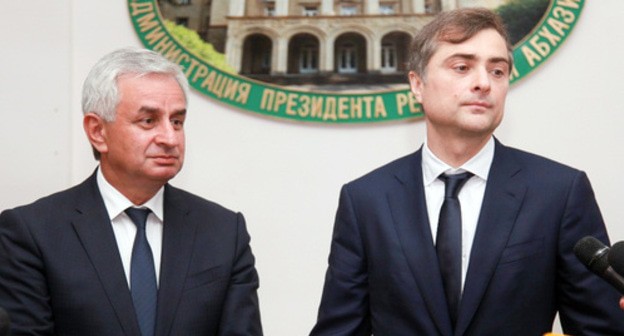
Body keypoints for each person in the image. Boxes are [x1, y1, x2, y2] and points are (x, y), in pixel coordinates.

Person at [310, 8, 624, 336]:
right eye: (462, 67)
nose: (483, 83)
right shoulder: (366, 200)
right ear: (417, 85)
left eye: (498, 71)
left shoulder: (559, 192)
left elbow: (601, 329)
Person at [0, 47, 263, 335]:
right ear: (98, 131)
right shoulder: (32, 232)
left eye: (177, 121)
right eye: (148, 121)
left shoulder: (223, 231)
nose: (170, 138)